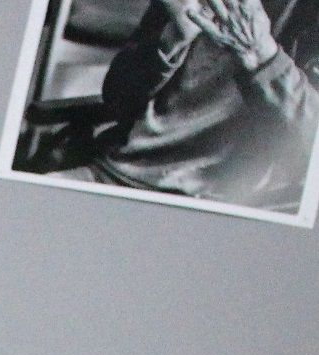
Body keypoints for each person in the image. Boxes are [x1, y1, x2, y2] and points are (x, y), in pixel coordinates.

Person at [84, 0, 319, 213]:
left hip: (228, 208)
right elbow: (117, 100)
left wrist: (262, 56)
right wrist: (172, 39)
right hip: (115, 175)